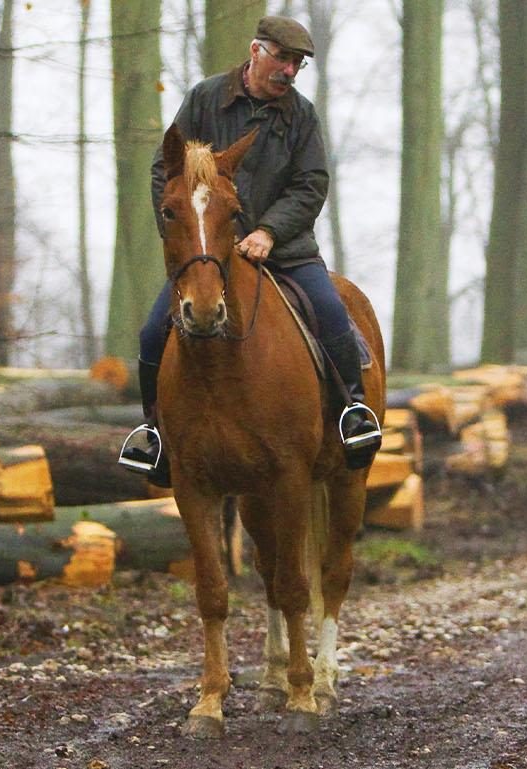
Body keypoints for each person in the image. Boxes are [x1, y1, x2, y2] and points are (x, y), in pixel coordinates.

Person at [118, 15, 379, 485]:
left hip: (286, 250)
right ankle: (153, 434)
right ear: (256, 51)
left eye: (297, 64)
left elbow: (310, 183)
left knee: (333, 315)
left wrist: (268, 232)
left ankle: (352, 416)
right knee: (152, 333)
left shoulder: (301, 115)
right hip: (208, 254)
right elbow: (167, 172)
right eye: (283, 59)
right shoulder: (204, 99)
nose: (290, 71)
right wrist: (190, 235)